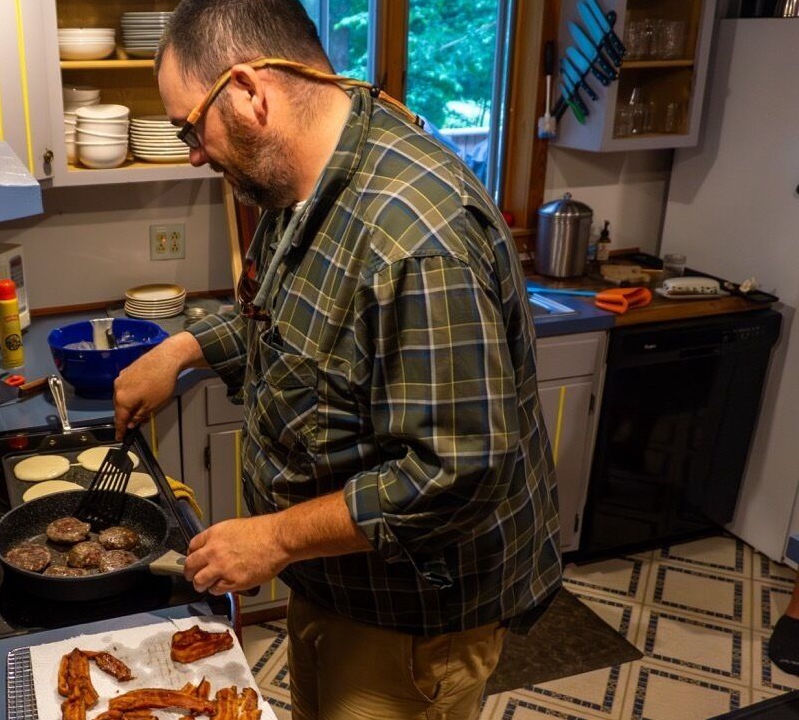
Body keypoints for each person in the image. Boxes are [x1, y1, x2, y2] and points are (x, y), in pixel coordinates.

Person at [112, 1, 562, 718]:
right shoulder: (297, 185)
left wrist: (274, 538)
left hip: (415, 617)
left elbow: (458, 469)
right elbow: (289, 325)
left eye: (189, 127)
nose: (193, 152)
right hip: (337, 580)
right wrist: (185, 348)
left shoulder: (416, 241)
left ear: (250, 92)